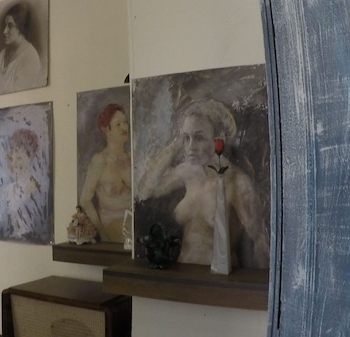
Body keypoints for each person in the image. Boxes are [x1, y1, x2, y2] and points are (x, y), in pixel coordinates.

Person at [137, 98, 269, 268]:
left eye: (199, 137)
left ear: (219, 139)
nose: (190, 147)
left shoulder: (238, 182)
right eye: (187, 138)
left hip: (218, 279)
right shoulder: (187, 173)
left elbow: (258, 242)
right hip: (183, 275)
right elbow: (145, 191)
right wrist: (176, 145)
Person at [79, 102, 132, 242]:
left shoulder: (131, 157)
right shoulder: (100, 161)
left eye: (125, 122)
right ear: (106, 130)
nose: (124, 127)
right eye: (118, 124)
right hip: (112, 222)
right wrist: (101, 230)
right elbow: (84, 199)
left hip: (133, 220)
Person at [0, 127, 46, 238]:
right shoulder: (7, 192)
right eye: (14, 153)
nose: (16, 161)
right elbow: (3, 226)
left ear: (31, 157)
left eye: (20, 157)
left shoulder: (37, 189)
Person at [0, 1, 43, 94]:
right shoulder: (2, 55)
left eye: (10, 26)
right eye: (5, 26)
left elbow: (22, 96)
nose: (4, 31)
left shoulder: (30, 57)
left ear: (20, 27)